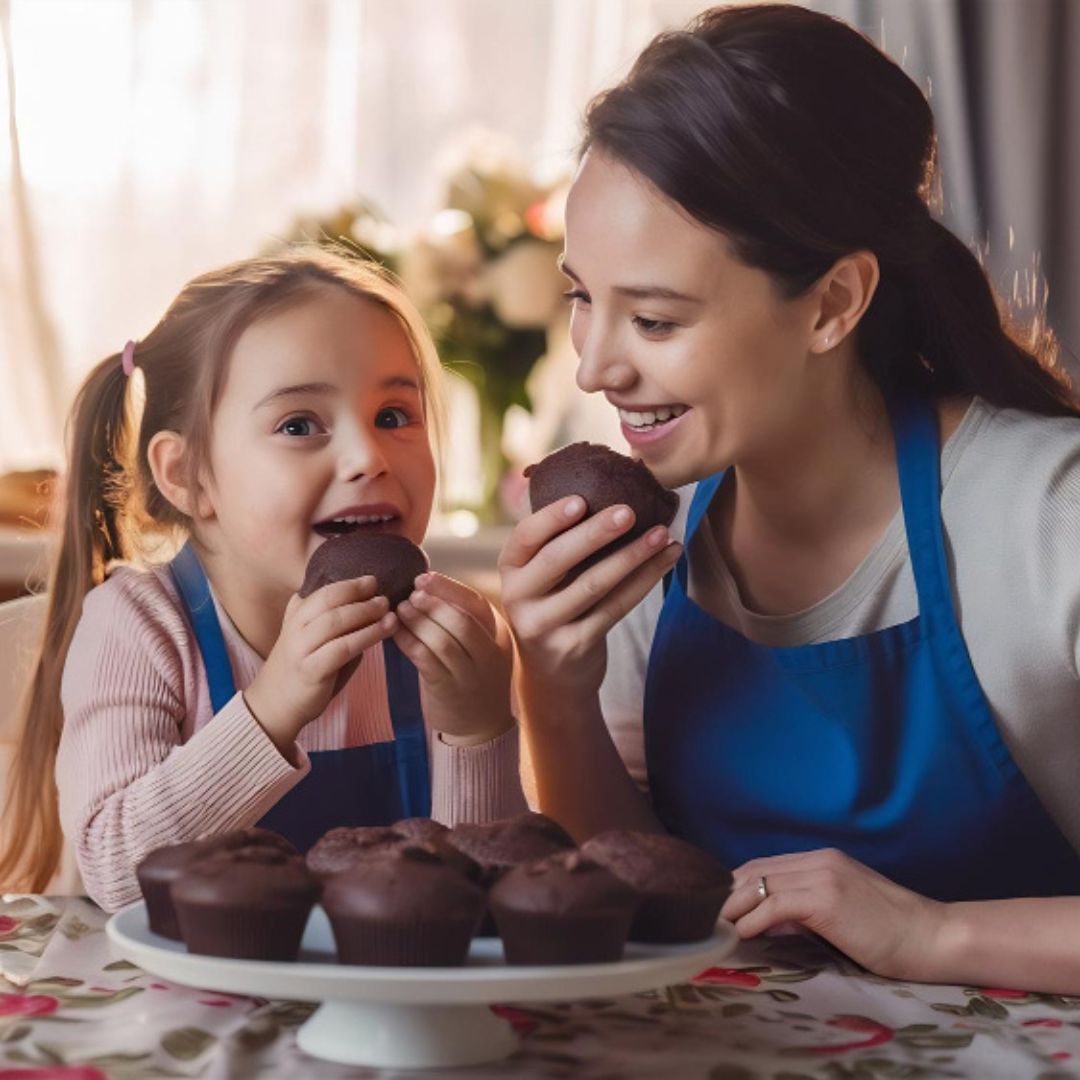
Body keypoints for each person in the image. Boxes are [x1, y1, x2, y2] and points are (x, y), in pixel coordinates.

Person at [499, 3, 1080, 992]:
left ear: (833, 304)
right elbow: (632, 895)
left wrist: (930, 936)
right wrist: (550, 688)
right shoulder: (646, 545)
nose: (594, 368)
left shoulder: (1048, 518)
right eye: (580, 299)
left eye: (652, 316)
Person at [0, 248, 525, 909]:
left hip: (391, 1006)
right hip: (187, 1008)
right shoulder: (139, 627)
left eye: (394, 416)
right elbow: (117, 875)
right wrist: (272, 709)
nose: (368, 457)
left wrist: (478, 729)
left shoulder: (443, 638)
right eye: (300, 425)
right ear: (186, 475)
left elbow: (491, 900)